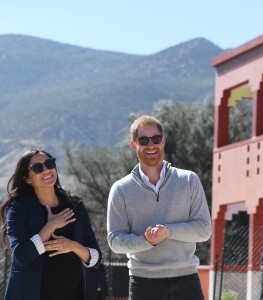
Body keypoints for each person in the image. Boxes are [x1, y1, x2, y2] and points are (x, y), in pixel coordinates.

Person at [107, 115, 211, 300]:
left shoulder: (188, 180)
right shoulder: (121, 189)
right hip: (144, 283)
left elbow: (203, 230)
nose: (151, 145)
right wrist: (147, 241)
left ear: (163, 141)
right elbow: (115, 241)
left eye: (155, 139)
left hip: (187, 281)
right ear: (134, 145)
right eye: (143, 140)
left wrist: (168, 231)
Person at [0, 148, 102, 300]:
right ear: (27, 178)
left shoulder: (75, 205)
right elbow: (21, 256)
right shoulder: (18, 208)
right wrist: (51, 226)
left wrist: (72, 246)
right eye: (37, 167)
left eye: (49, 163)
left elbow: (96, 257)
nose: (46, 170)